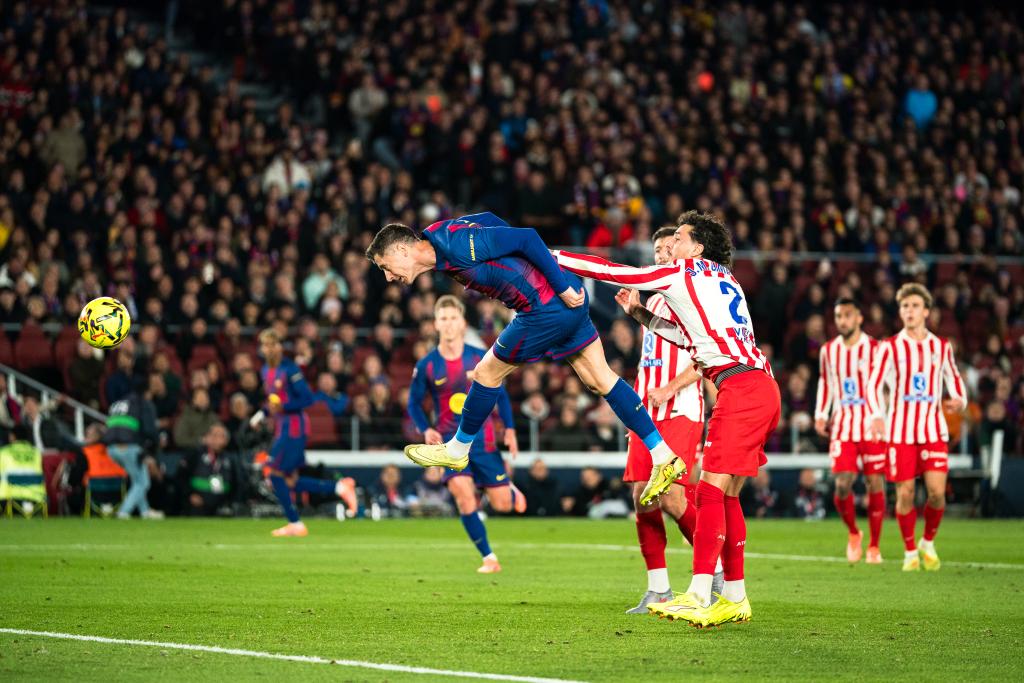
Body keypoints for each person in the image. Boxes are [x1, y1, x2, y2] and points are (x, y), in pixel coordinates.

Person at [555, 210, 780, 627]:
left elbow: (614, 271)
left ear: (697, 247)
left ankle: (698, 593)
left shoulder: (684, 271)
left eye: (678, 238)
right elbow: (690, 339)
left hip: (738, 389)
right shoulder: (725, 279)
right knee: (727, 495)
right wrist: (641, 315)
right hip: (756, 385)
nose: (671, 245)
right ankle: (734, 596)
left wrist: (551, 256)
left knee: (707, 493)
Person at [366, 212, 681, 486]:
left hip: (544, 306)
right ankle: (662, 453)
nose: (388, 277)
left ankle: (458, 450)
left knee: (486, 373)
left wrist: (560, 286)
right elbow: (489, 219)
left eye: (385, 266)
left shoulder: (455, 245)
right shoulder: (438, 235)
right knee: (601, 379)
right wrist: (519, 262)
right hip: (559, 302)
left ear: (402, 250)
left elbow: (527, 237)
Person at [617, 226, 718, 614]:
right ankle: (658, 589)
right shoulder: (657, 301)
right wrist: (636, 312)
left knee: (672, 497)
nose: (661, 254)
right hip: (647, 413)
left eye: (668, 247)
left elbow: (705, 357)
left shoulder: (692, 296)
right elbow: (658, 351)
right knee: (641, 496)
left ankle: (717, 571)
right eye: (656, 249)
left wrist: (669, 388)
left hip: (680, 410)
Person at [407, 295, 524, 574]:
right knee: (463, 496)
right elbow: (413, 403)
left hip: (484, 442)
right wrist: (426, 428)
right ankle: (489, 558)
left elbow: (501, 394)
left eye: (453, 318)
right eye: (443, 319)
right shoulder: (427, 365)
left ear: (462, 323)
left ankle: (504, 488)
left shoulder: (480, 356)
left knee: (503, 505)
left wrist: (509, 429)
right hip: (449, 444)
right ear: (436, 324)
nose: (448, 324)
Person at [867, 284, 966, 571]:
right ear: (900, 312)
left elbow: (954, 378)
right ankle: (910, 551)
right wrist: (877, 415)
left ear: (926, 311)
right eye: (905, 306)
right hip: (900, 432)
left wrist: (960, 399)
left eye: (914, 306)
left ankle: (928, 542)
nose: (909, 311)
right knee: (906, 493)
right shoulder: (889, 347)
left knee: (936, 493)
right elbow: (873, 385)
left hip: (933, 430)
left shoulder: (941, 346)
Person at [257, 329, 357, 536]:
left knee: (273, 473)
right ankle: (340, 488)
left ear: (280, 347)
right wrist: (261, 414)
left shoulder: (289, 369)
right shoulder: (265, 370)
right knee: (289, 480)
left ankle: (295, 522)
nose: (269, 349)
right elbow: (273, 400)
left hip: (295, 428)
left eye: (273, 344)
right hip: (281, 427)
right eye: (265, 345)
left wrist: (283, 407)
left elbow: (307, 399)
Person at [814, 298, 887, 564]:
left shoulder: (876, 349)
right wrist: (821, 414)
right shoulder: (828, 351)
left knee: (874, 483)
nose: (842, 321)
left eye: (847, 315)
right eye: (838, 316)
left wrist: (881, 415)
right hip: (843, 425)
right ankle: (854, 532)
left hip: (871, 425)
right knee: (842, 485)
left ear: (859, 318)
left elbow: (882, 385)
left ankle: (874, 546)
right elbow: (826, 383)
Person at [104, 388, 163, 519]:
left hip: (111, 448)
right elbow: (149, 430)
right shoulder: (141, 403)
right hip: (128, 447)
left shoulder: (117, 403)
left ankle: (145, 511)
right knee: (143, 483)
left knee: (137, 480)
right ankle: (123, 512)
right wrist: (152, 447)